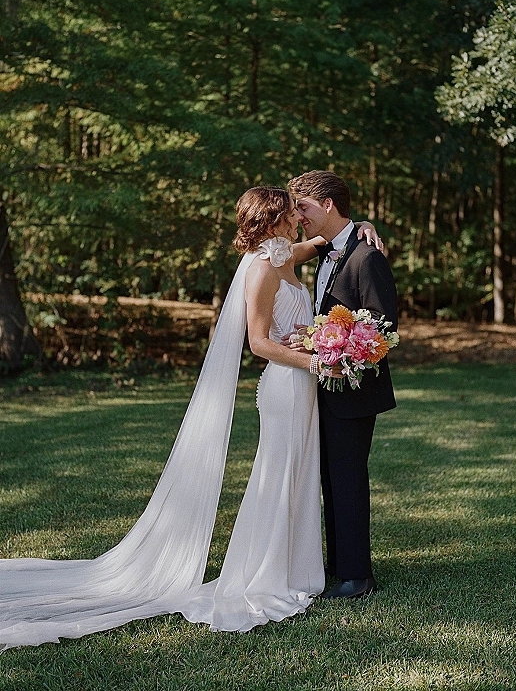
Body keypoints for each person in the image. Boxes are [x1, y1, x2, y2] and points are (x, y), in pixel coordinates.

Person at [0, 186, 378, 649]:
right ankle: (265, 574)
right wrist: (319, 361)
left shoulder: (284, 255)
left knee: (298, 475)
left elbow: (327, 241)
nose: (299, 219)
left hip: (304, 387)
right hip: (286, 384)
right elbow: (258, 343)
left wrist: (361, 226)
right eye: (291, 212)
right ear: (273, 219)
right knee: (277, 475)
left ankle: (297, 565)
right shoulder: (261, 268)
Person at [287, 170, 398, 600]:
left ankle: (358, 577)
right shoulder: (328, 252)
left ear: (328, 204)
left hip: (353, 390)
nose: (299, 218)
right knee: (330, 478)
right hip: (325, 388)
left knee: (348, 478)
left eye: (304, 208)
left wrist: (336, 352)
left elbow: (383, 327)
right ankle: (340, 563)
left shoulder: (366, 257)